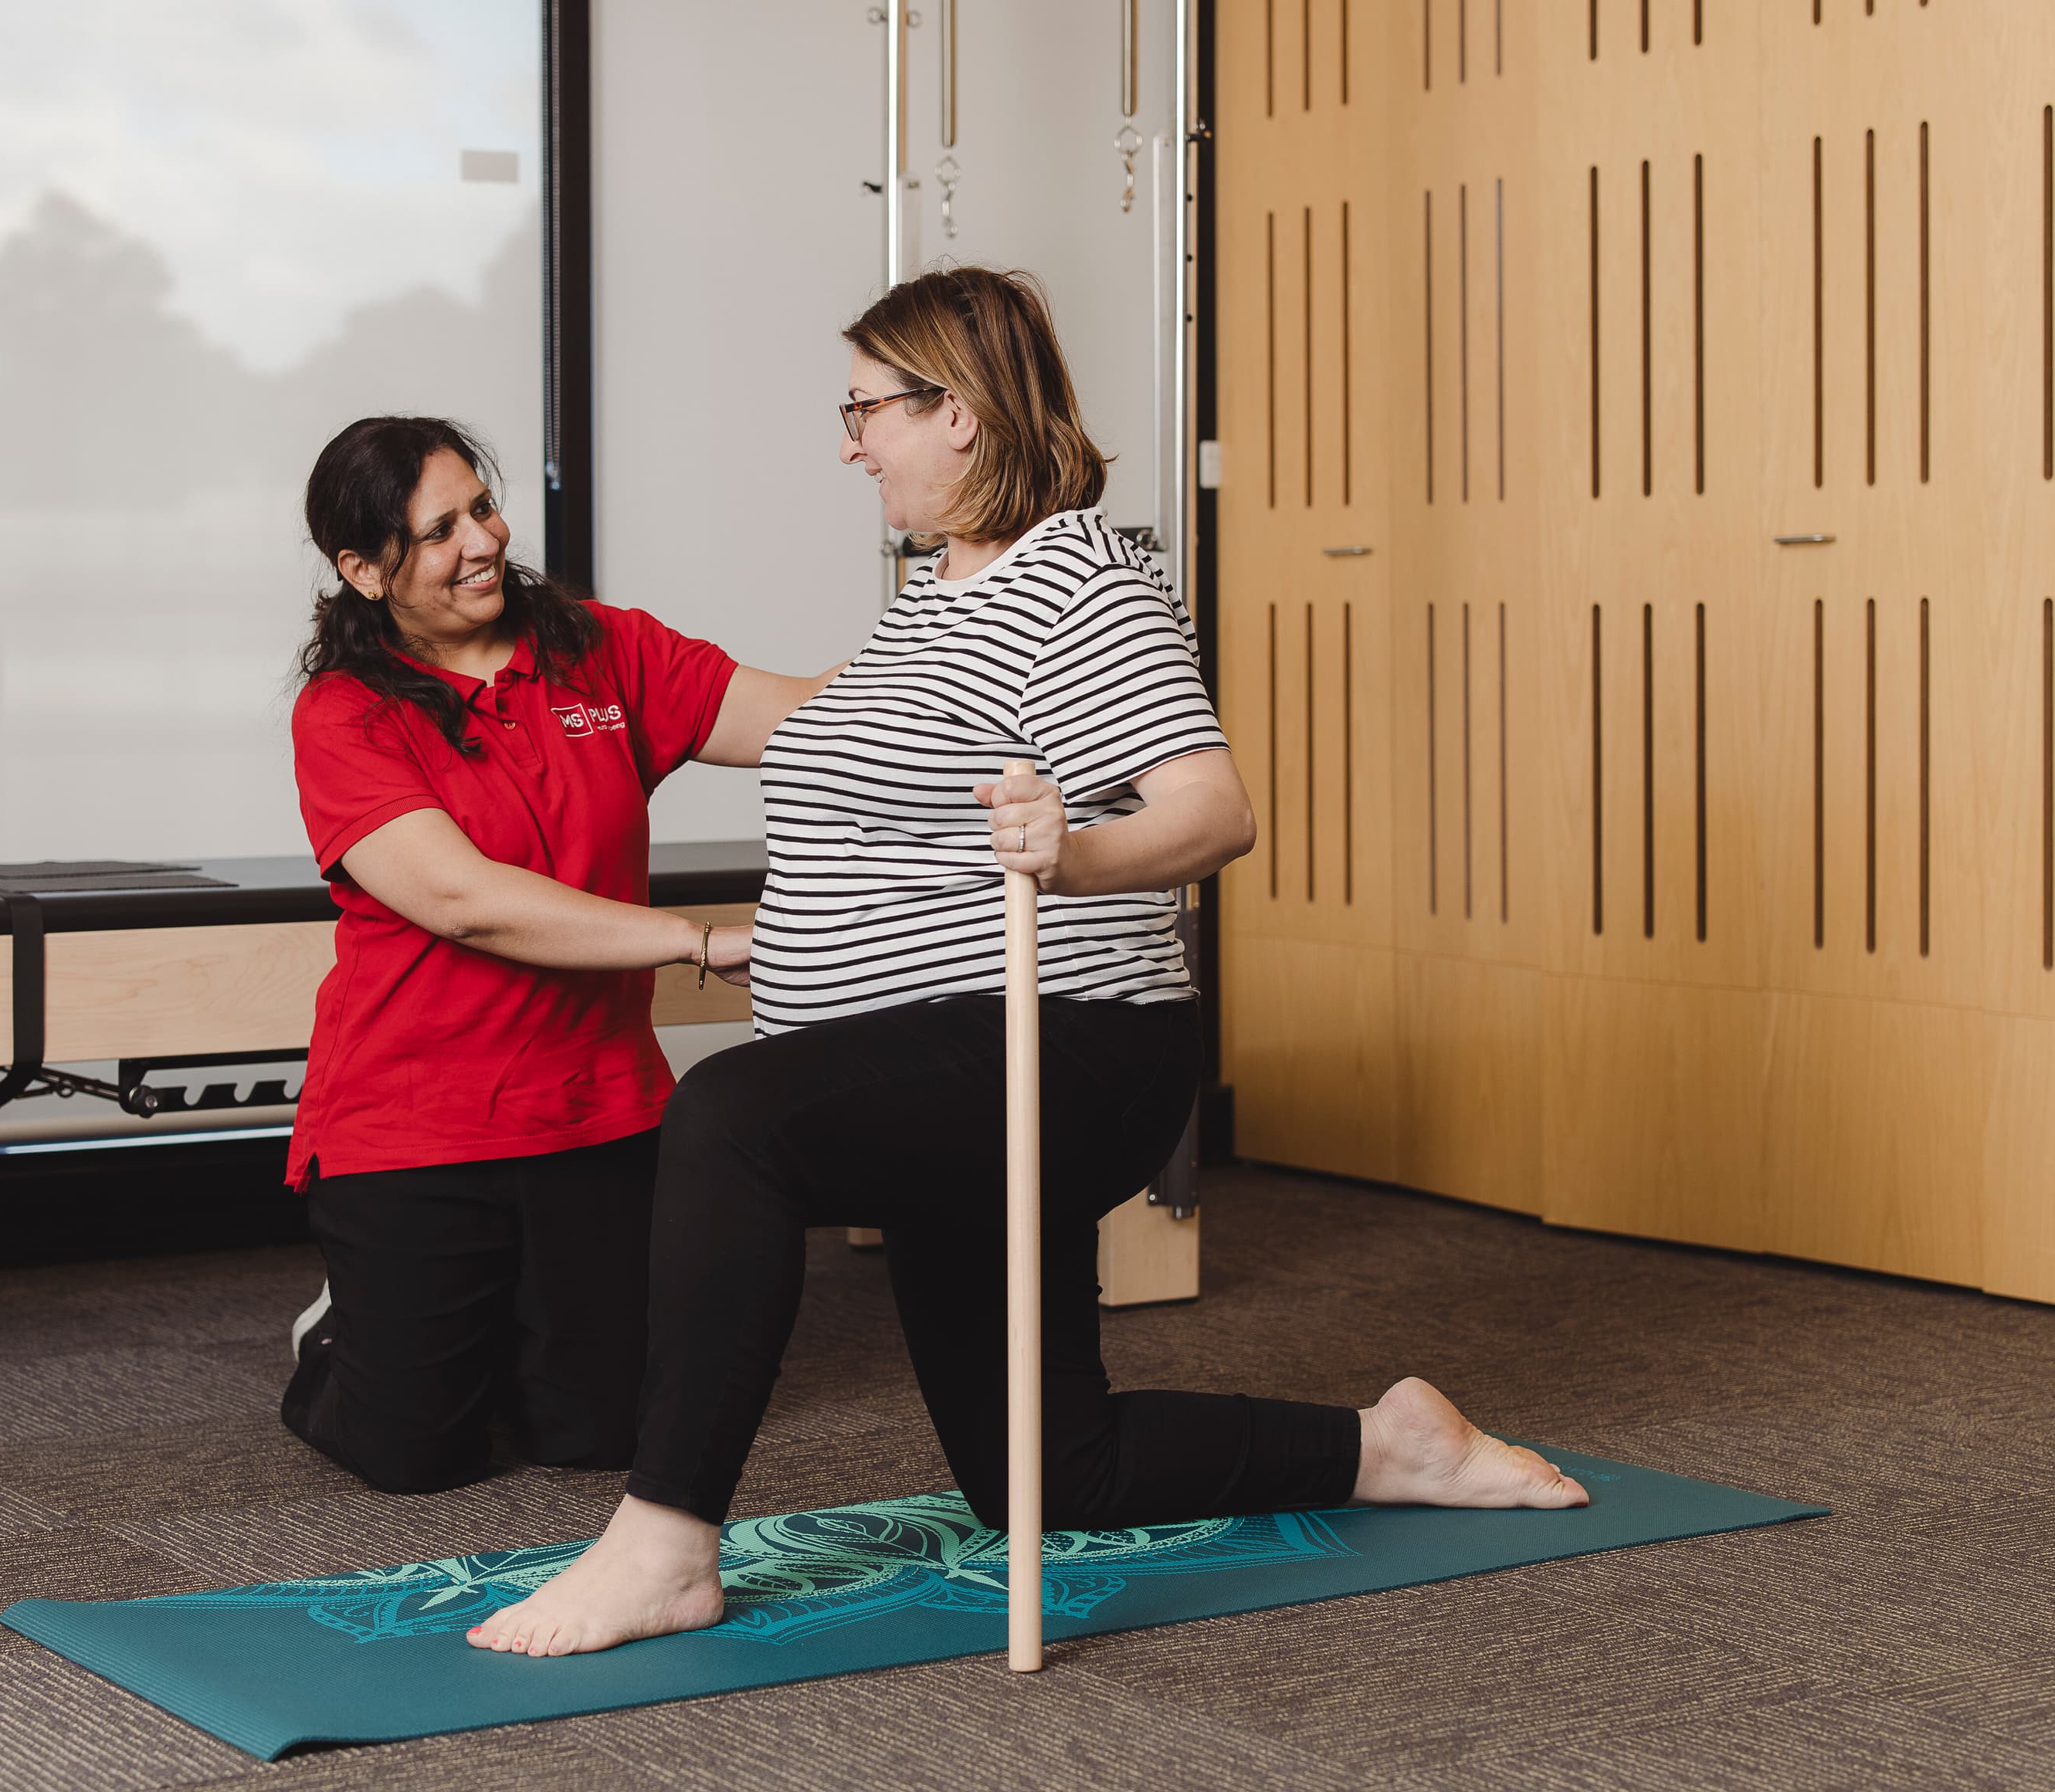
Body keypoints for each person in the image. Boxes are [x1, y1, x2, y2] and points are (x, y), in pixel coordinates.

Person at [467, 267, 1585, 1658]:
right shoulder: (937, 598)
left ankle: (664, 1544)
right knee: (1050, 1473)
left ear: (965, 414)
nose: (848, 440)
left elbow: (1210, 811)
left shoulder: (1079, 581)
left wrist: (1073, 854)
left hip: (1064, 1040)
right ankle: (1390, 1446)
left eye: (866, 406)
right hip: (941, 1067)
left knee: (731, 1115)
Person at [281, 415, 832, 1496]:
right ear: (362, 569)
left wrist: (964, 652)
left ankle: (489, 1327)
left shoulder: (601, 648)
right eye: (437, 530)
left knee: (603, 1433)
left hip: (596, 1107)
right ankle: (335, 1336)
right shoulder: (343, 711)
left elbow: (808, 718)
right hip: (413, 1120)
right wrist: (703, 940)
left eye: (480, 507)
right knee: (414, 1456)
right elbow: (463, 900)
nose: (482, 540)